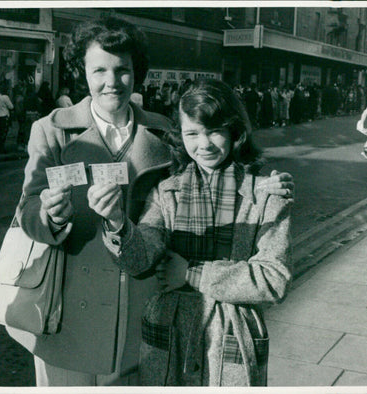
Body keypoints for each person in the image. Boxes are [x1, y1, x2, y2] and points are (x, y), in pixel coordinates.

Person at [11, 15, 293, 387]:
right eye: (99, 70)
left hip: (143, 313)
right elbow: (28, 209)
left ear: (137, 72)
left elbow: (208, 173)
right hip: (69, 315)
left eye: (122, 70)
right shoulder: (52, 130)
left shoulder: (164, 131)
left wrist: (263, 185)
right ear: (83, 71)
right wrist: (49, 215)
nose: (111, 82)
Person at [89, 79, 292, 386]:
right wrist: (116, 221)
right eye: (192, 133)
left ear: (234, 131)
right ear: (180, 135)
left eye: (215, 130)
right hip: (169, 335)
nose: (204, 144)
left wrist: (191, 273)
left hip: (230, 334)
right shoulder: (166, 191)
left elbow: (274, 280)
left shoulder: (266, 194)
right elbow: (139, 260)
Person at [0, 86, 15, 153]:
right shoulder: (6, 97)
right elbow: (11, 106)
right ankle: (2, 147)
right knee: (4, 132)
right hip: (5, 115)